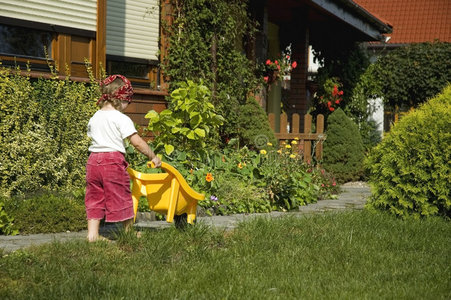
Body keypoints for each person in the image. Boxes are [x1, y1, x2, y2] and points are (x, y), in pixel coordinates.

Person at [84, 74, 161, 242]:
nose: (128, 105)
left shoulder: (95, 117)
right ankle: (127, 232)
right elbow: (138, 143)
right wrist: (152, 155)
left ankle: (92, 235)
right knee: (122, 195)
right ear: (121, 99)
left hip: (93, 161)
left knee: (94, 197)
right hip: (111, 161)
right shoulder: (121, 118)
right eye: (128, 101)